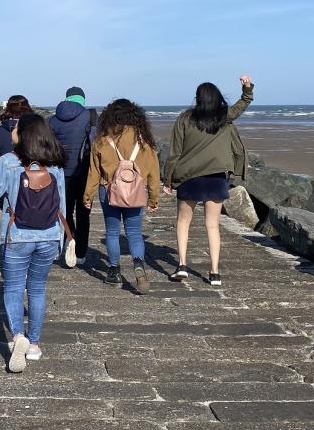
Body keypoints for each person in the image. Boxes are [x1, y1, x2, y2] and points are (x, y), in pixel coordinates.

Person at [0, 112, 68, 372]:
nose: (12, 129)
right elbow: (62, 207)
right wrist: (62, 241)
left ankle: (17, 336)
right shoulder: (55, 165)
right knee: (37, 288)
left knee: (12, 287)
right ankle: (33, 344)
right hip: (49, 235)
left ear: (23, 134)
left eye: (16, 127)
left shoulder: (10, 162)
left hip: (17, 234)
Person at [163, 75, 254, 287]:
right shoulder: (225, 117)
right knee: (212, 225)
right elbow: (243, 104)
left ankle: (183, 266)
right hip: (216, 178)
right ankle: (214, 273)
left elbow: (174, 152)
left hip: (189, 178)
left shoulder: (185, 118)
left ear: (197, 98)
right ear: (217, 98)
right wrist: (247, 88)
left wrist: (168, 179)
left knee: (183, 222)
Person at [82, 98, 161, 292]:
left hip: (108, 191)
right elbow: (154, 171)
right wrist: (153, 198)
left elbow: (93, 172)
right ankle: (139, 266)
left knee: (112, 232)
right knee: (134, 233)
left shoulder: (102, 140)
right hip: (135, 192)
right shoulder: (144, 140)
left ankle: (114, 271)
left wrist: (87, 196)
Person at [48, 86, 98, 267]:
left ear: (67, 98)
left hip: (61, 174)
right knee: (84, 213)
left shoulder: (52, 120)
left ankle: (70, 239)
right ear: (83, 99)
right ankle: (81, 253)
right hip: (86, 173)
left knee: (64, 212)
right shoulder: (91, 116)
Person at [0, 95, 31, 164]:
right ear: (28, 107)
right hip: (34, 171)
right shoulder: (37, 128)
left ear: (8, 108)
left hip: (7, 171)